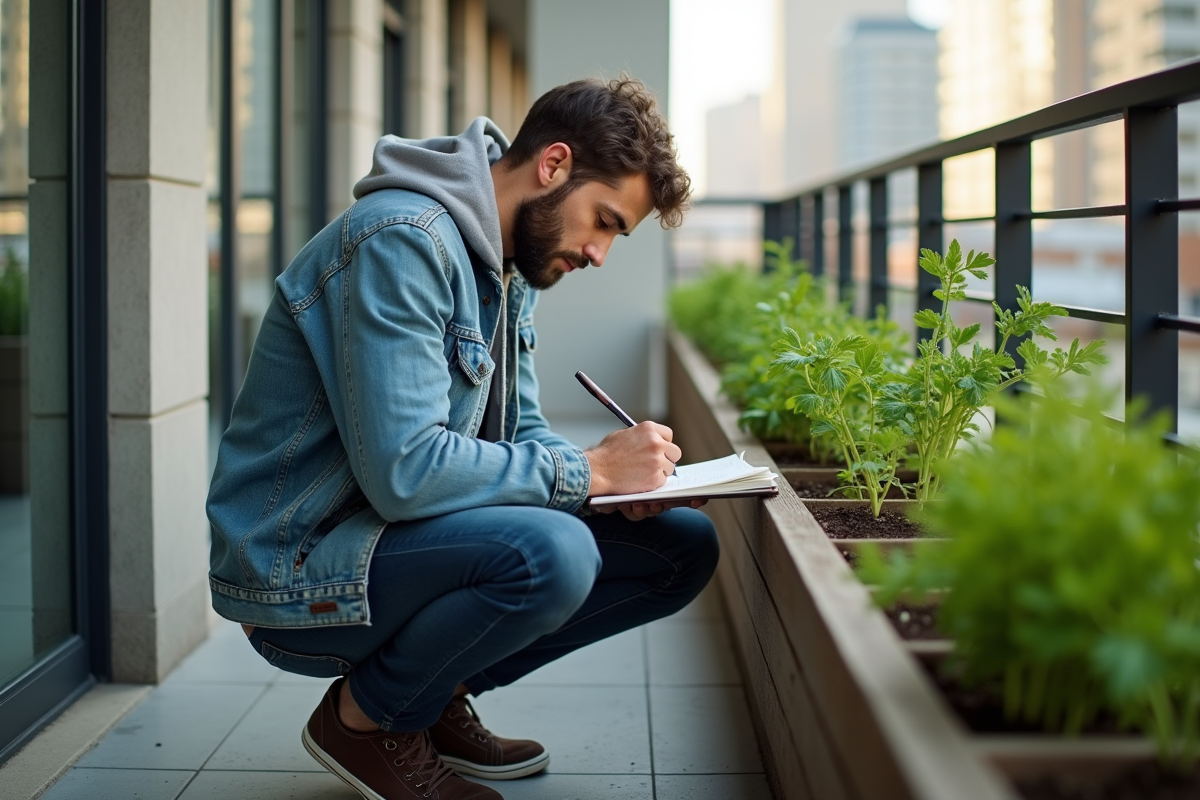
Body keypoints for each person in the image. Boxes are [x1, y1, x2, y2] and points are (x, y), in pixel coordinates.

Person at [206, 75, 719, 800]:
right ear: (554, 165)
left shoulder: (509, 266)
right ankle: (365, 724)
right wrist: (589, 471)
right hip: (300, 567)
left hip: (388, 541)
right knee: (553, 554)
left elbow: (526, 430)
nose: (600, 252)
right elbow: (406, 471)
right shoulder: (402, 242)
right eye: (604, 221)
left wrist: (614, 492)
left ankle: (426, 696)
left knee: (679, 549)